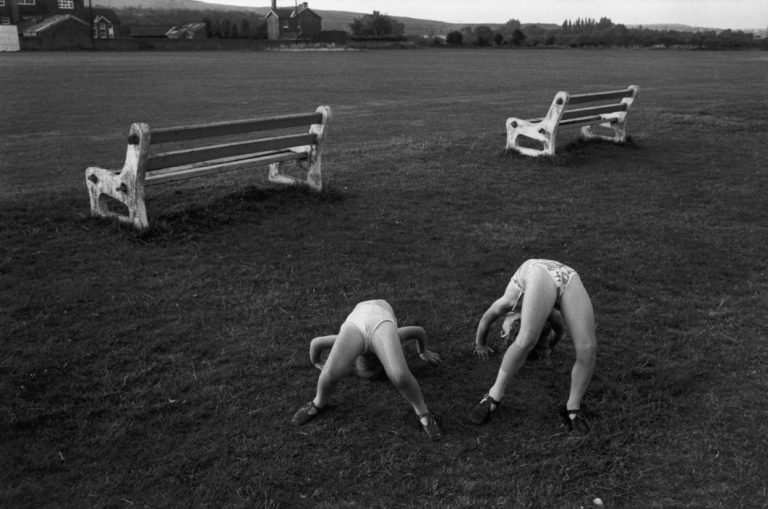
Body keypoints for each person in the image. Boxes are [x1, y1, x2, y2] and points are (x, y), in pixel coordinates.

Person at [470, 259, 597, 435]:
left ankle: (573, 407)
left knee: (587, 349)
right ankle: (494, 396)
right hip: (564, 274)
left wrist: (480, 344)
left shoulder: (507, 303)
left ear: (507, 320)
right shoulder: (549, 315)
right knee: (528, 337)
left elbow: (487, 318)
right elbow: (558, 329)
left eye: (508, 330)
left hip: (544, 271)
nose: (511, 330)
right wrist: (550, 345)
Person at [291, 299, 444, 441]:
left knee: (333, 373)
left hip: (358, 320)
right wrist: (423, 352)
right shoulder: (394, 336)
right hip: (381, 318)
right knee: (399, 375)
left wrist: (316, 361)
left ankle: (317, 403)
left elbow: (315, 342)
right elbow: (419, 331)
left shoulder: (354, 340)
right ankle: (423, 413)